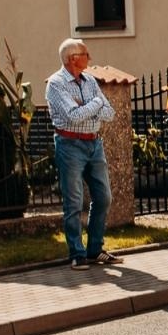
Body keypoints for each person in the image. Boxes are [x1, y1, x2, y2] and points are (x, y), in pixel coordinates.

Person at [46, 38, 119, 270]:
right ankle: (77, 253)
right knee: (74, 201)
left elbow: (110, 113)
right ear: (73, 58)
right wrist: (96, 104)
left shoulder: (90, 81)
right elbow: (73, 116)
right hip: (70, 145)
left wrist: (90, 106)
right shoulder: (56, 84)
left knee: (104, 197)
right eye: (86, 54)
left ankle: (95, 249)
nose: (90, 57)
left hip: (94, 144)